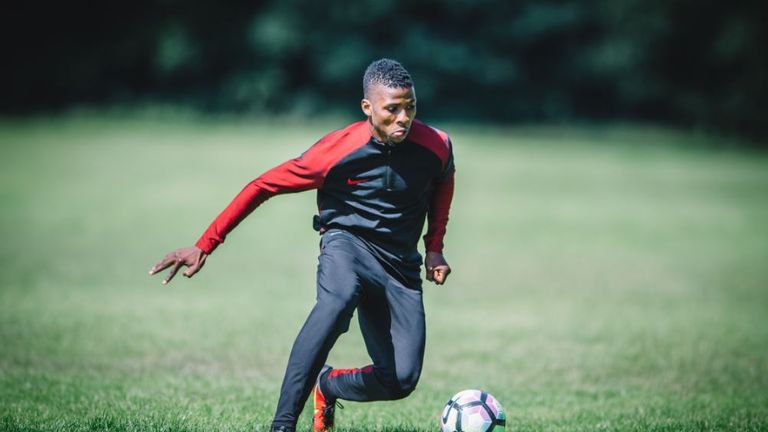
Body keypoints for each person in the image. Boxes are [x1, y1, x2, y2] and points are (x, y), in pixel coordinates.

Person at [149, 58, 455, 432]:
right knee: (336, 303)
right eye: (392, 109)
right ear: (368, 108)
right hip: (348, 246)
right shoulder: (335, 151)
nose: (403, 118)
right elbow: (263, 185)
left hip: (399, 266)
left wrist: (434, 247)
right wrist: (205, 244)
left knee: (401, 380)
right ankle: (283, 424)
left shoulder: (435, 144)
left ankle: (328, 385)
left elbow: (444, 179)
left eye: (410, 107)